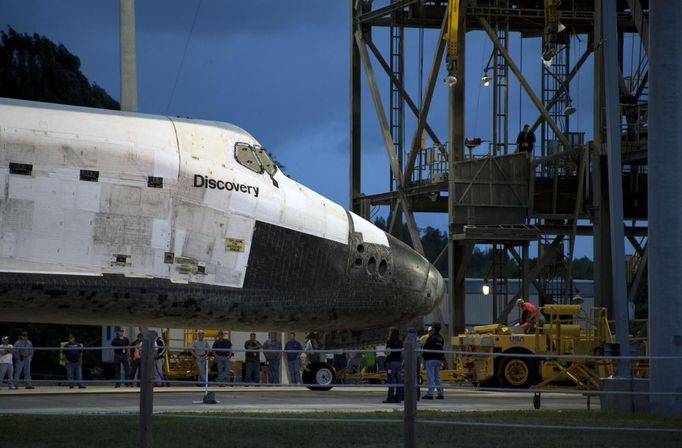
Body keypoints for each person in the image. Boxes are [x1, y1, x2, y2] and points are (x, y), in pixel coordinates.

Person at [422, 323, 444, 400]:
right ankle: (441, 393)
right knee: (437, 376)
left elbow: (425, 348)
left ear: (433, 328)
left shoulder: (431, 338)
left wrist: (424, 356)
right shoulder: (440, 337)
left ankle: (430, 394)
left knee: (430, 376)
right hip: (439, 358)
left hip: (431, 358)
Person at [383, 327, 403, 403]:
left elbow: (388, 352)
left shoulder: (389, 341)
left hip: (390, 363)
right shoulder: (400, 342)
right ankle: (398, 397)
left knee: (391, 379)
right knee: (398, 380)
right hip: (398, 362)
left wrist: (385, 351)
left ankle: (390, 397)